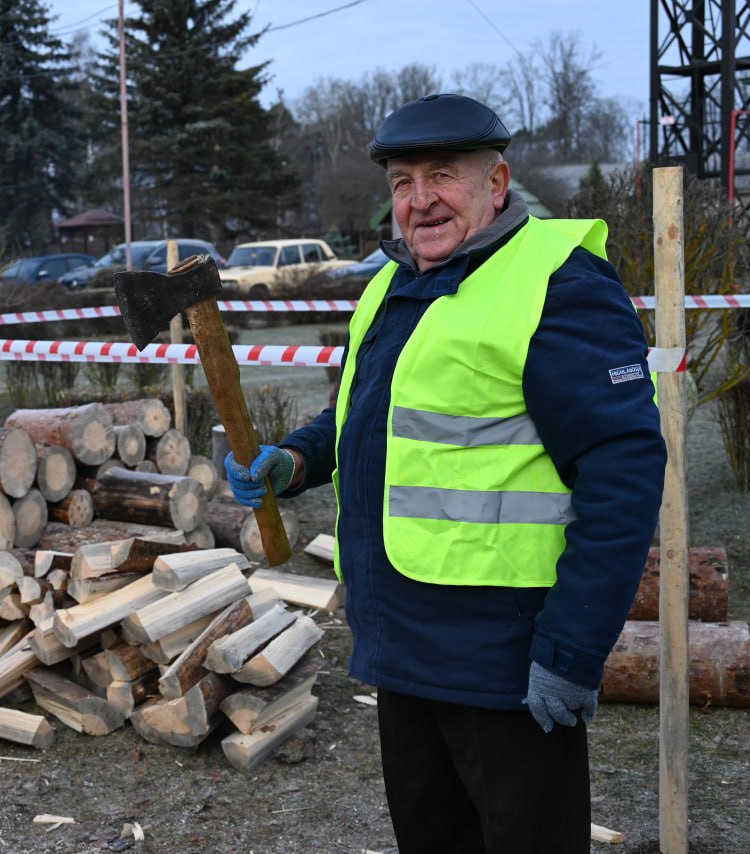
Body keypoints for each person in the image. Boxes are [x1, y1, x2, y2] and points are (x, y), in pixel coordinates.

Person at [225, 93, 667, 853]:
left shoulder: (557, 284)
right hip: (402, 643)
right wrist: (297, 459)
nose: (419, 200)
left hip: (508, 660)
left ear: (496, 184)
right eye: (402, 182)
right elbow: (368, 415)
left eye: (442, 176)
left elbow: (623, 472)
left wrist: (573, 649)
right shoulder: (394, 286)